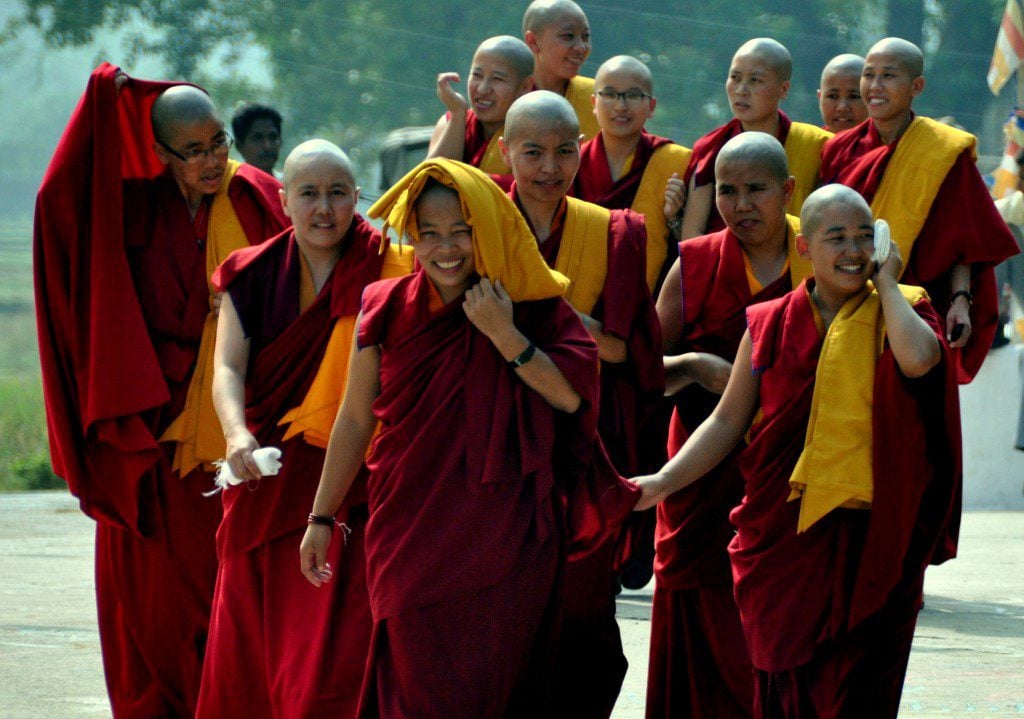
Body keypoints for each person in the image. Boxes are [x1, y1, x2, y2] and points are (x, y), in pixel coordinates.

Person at [637, 183, 962, 718]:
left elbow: (921, 361)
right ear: (805, 247)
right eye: (836, 237)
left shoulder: (904, 310)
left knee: (859, 692)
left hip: (872, 540)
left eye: (864, 236)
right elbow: (726, 420)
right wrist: (664, 482)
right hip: (785, 542)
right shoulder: (769, 322)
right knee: (787, 689)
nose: (853, 250)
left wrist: (889, 283)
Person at [299, 158, 610, 717]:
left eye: (460, 232)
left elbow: (571, 400)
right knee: (415, 681)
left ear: (486, 230)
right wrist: (321, 518)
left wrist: (502, 332)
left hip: (502, 535)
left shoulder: (531, 306)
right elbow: (353, 419)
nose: (446, 249)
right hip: (409, 528)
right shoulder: (384, 305)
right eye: (429, 235)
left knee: (489, 685)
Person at [34, 64, 287, 717]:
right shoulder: (133, 210)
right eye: (193, 150)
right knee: (159, 604)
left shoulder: (257, 195)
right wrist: (100, 105)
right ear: (161, 152)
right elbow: (59, 211)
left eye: (217, 146)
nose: (211, 161)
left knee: (241, 598)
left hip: (244, 429)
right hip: (158, 432)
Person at [196, 141, 411, 717]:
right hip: (267, 478)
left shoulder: (392, 269)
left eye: (338, 193)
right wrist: (236, 434)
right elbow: (228, 367)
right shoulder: (252, 271)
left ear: (358, 198)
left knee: (330, 663)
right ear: (284, 199)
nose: (324, 209)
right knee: (253, 652)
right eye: (309, 194)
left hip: (353, 484)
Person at [501, 90, 663, 718]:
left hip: (581, 444)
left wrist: (539, 306)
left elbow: (627, 352)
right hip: (495, 443)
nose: (549, 167)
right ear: (506, 150)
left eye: (564, 151)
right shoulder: (479, 220)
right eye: (533, 152)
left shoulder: (612, 231)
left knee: (582, 610)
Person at [647, 132, 812, 719]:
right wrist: (692, 367)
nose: (741, 205)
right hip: (700, 472)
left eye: (757, 190)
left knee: (778, 628)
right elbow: (643, 374)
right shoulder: (693, 264)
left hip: (791, 477)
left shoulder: (820, 254)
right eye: (726, 191)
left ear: (788, 190)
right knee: (698, 625)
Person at [819, 37, 1020, 382]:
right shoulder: (837, 150)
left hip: (921, 311)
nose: (875, 86)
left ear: (916, 86)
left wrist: (961, 300)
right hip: (847, 306)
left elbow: (963, 240)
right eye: (869, 75)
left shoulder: (942, 151)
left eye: (888, 76)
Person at [680, 38, 832, 240]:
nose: (741, 90)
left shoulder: (816, 145)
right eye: (735, 77)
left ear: (784, 89)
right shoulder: (710, 147)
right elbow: (692, 232)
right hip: (724, 262)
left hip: (798, 261)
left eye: (755, 80)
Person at [574, 55, 692, 294]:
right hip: (577, 295)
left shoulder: (676, 161)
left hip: (646, 302)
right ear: (593, 103)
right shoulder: (573, 162)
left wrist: (674, 219)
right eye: (609, 94)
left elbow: (694, 248)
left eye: (633, 95)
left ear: (651, 107)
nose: (620, 106)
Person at [427, 35, 534, 188]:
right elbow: (429, 182)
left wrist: (464, 181)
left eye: (497, 79)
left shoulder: (537, 133)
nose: (483, 89)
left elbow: (535, 191)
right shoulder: (453, 121)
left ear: (524, 87)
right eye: (477, 75)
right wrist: (458, 113)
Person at [522, 0, 600, 139]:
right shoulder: (505, 96)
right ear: (533, 41)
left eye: (585, 36)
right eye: (568, 36)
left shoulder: (600, 100)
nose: (581, 47)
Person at [817, 53, 868, 134]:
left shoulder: (886, 145)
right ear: (820, 99)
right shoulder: (809, 144)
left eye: (853, 96)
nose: (842, 107)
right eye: (833, 96)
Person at [232, 102, 283, 176]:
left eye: (273, 137)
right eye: (258, 138)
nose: (267, 146)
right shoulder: (231, 186)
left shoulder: (290, 185)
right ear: (239, 146)